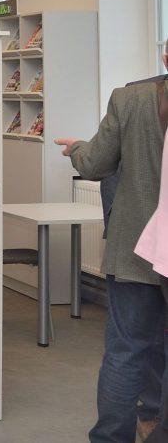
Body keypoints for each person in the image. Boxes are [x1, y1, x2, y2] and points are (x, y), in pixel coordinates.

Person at [55, 60, 168, 443]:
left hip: (135, 247)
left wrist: (76, 148)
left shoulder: (130, 98)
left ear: (165, 59)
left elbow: (94, 164)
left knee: (125, 352)